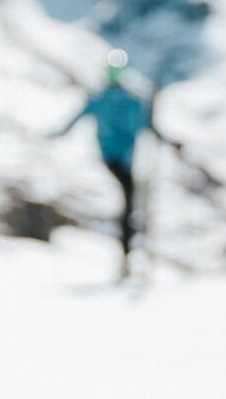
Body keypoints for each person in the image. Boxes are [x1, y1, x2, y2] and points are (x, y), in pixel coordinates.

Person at [54, 50, 169, 280]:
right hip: (118, 159)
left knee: (130, 203)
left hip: (122, 159)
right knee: (129, 203)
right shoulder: (122, 100)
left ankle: (128, 251)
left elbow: (150, 126)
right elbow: (151, 127)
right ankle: (128, 251)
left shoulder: (125, 100)